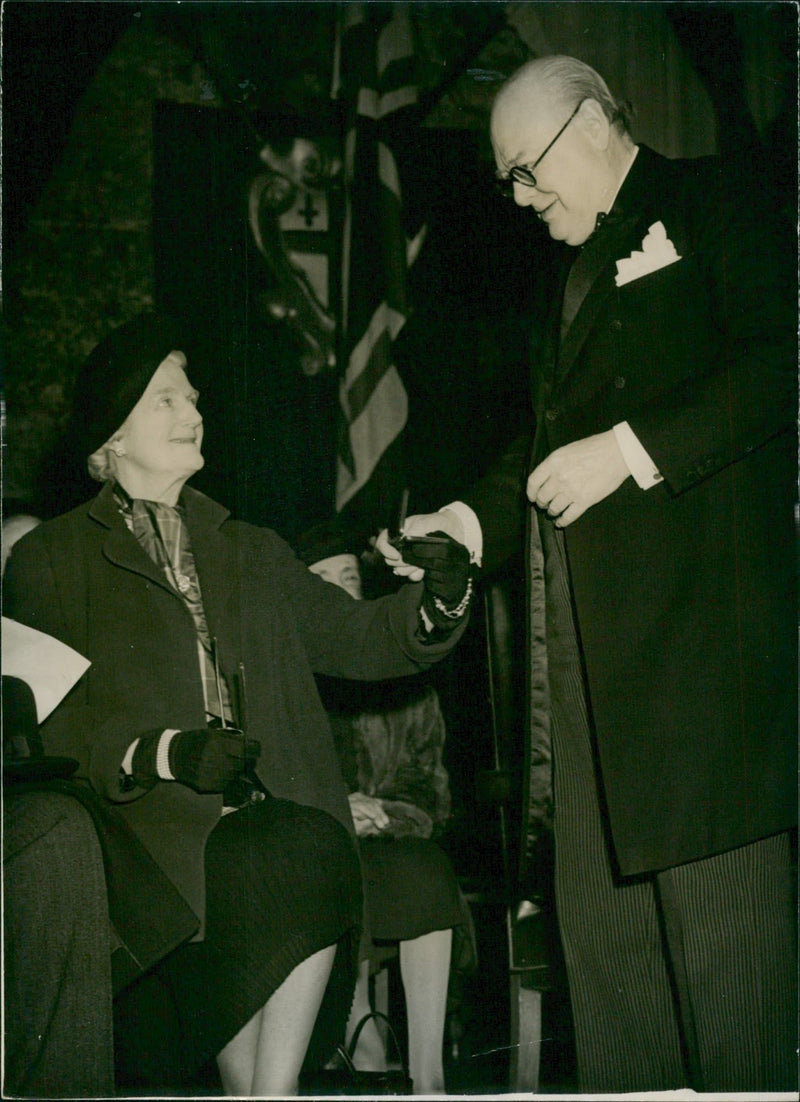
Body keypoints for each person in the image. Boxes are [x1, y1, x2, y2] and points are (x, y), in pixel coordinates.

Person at [378, 55, 797, 1094]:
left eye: (525, 171)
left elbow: (781, 359)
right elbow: (536, 447)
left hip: (701, 706)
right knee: (620, 1035)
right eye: (508, 181)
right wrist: (468, 521)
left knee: (734, 1020)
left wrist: (630, 449)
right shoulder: (557, 282)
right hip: (586, 720)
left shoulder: (716, 200)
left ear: (589, 125)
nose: (519, 199)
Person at [3, 312, 473, 1097]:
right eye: (165, 400)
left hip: (271, 837)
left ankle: (272, 1095)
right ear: (111, 436)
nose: (192, 413)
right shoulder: (52, 559)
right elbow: (52, 727)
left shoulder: (248, 549)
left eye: (192, 397)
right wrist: (164, 751)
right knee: (281, 855)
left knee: (299, 842)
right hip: (147, 857)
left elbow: (361, 638)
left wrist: (440, 601)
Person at [298, 520, 468, 1095]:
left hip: (388, 839)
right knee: (326, 883)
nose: (339, 590)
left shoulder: (405, 676)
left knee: (425, 872)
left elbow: (430, 783)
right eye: (321, 580)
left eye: (348, 576)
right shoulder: (284, 676)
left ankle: (428, 1073)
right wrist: (336, 809)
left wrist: (387, 811)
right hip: (315, 845)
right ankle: (361, 1048)